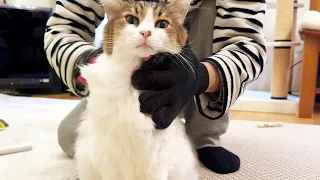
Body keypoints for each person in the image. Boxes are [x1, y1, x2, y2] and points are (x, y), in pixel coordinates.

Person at [44, 0, 267, 174]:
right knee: (73, 138)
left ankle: (204, 134)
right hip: (124, 60)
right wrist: (98, 66)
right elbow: (63, 29)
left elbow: (248, 45)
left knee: (208, 11)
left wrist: (198, 77)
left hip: (189, 50)